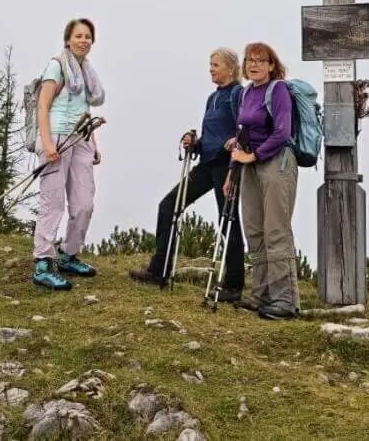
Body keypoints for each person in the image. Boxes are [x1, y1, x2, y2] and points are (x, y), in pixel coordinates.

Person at [128, 48, 246, 302]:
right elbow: (212, 136)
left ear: (230, 68)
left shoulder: (238, 94)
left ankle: (233, 286)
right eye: (210, 64)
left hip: (227, 166)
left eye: (215, 65)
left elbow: (245, 128)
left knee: (228, 220)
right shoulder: (212, 98)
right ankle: (158, 271)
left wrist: (235, 141)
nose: (211, 69)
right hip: (206, 163)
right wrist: (194, 143)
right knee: (168, 206)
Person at [227, 41, 301, 319]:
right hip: (249, 166)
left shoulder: (278, 89)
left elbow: (282, 131)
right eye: (249, 60)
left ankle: (285, 301)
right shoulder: (246, 93)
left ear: (272, 65)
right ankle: (261, 295)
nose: (254, 65)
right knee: (255, 231)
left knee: (275, 231)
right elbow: (243, 131)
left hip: (276, 164)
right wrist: (234, 167)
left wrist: (254, 155)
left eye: (260, 60)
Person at [31, 17, 105, 291]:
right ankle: (42, 262)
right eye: (79, 36)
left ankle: (68, 254)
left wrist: (93, 143)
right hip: (57, 138)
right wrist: (48, 144)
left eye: (88, 36)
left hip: (81, 138)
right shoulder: (57, 65)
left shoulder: (86, 72)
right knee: (53, 202)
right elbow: (43, 105)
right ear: (68, 39)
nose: (84, 41)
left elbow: (84, 112)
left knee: (84, 202)